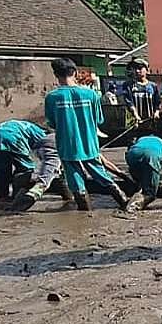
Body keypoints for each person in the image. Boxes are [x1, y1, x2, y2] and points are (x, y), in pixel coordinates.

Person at [44, 58, 130, 212]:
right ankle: (124, 202)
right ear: (75, 72)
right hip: (89, 143)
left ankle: (85, 213)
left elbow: (52, 124)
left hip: (67, 146)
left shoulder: (52, 97)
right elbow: (99, 119)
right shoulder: (91, 94)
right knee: (101, 174)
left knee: (76, 182)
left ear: (56, 74)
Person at [0, 119, 47, 201]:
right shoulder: (42, 134)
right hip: (12, 136)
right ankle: (17, 196)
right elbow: (46, 155)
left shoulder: (27, 126)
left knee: (2, 172)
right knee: (25, 169)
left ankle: (2, 197)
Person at [124, 134, 162, 211]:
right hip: (151, 157)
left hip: (132, 155)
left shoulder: (142, 138)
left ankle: (139, 188)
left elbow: (130, 148)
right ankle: (132, 206)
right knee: (151, 194)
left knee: (142, 181)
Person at [123, 59, 159, 133]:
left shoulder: (153, 86)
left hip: (150, 123)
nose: (137, 71)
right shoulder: (128, 85)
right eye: (134, 69)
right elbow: (129, 102)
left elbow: (157, 102)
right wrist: (136, 115)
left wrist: (156, 112)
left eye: (139, 68)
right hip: (134, 123)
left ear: (146, 70)